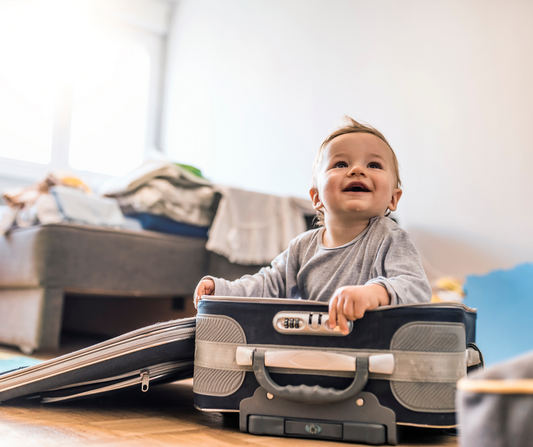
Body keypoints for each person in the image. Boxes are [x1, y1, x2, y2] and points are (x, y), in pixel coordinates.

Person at [194, 117, 431, 334]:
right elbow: (267, 284)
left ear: (393, 198)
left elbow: (417, 289)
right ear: (316, 197)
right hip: (312, 345)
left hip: (372, 348)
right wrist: (223, 290)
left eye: (374, 165)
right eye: (340, 164)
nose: (357, 170)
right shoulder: (302, 247)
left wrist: (374, 293)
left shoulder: (390, 238)